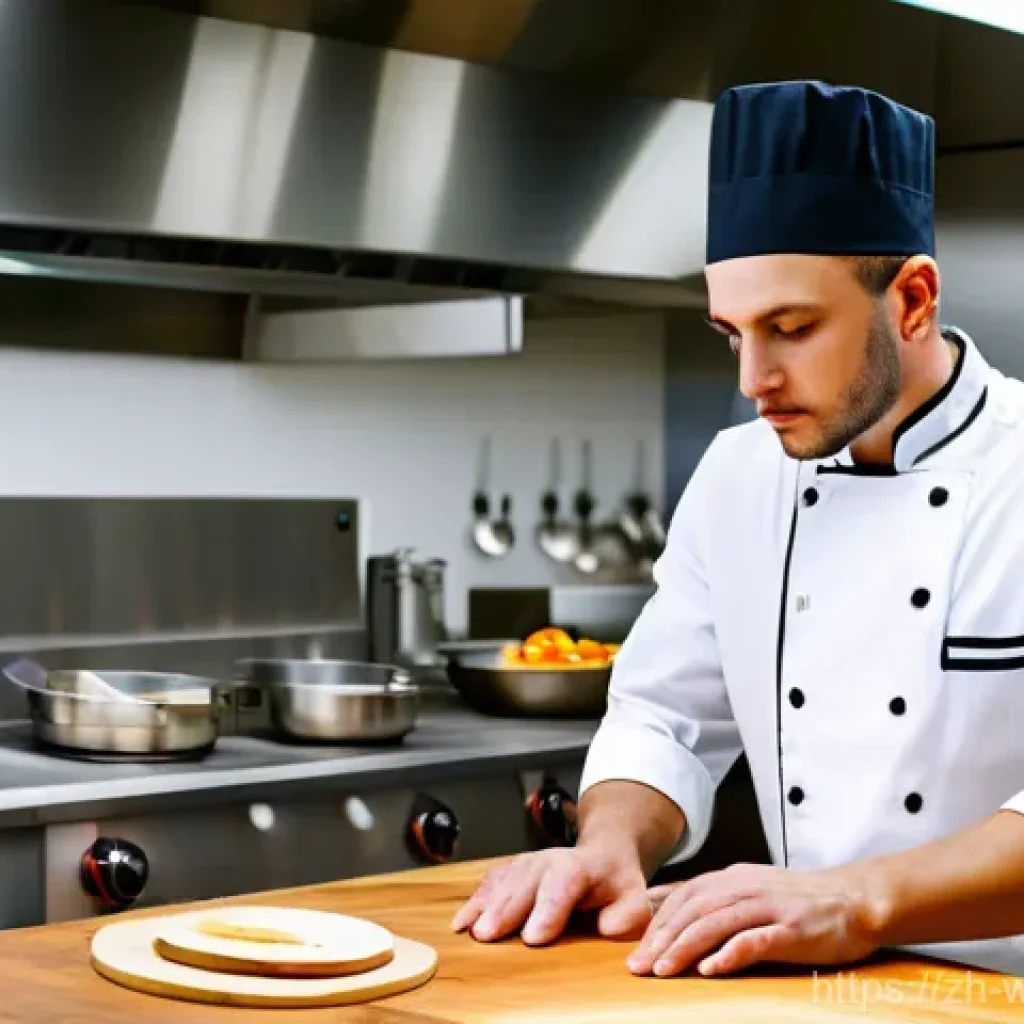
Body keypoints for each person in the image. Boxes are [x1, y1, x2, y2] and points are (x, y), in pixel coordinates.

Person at [451, 79, 1024, 978]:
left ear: (912, 300)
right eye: (730, 334)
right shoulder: (738, 475)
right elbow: (664, 715)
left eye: (790, 328)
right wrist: (613, 842)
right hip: (813, 991)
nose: (754, 378)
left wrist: (856, 898)